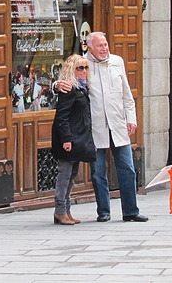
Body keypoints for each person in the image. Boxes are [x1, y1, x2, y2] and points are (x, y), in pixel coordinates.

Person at [57, 31, 148, 223]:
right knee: (98, 171)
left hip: (117, 123)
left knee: (127, 168)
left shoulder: (117, 61)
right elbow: (65, 76)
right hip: (95, 127)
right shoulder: (83, 64)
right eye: (100, 46)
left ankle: (131, 211)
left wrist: (131, 119)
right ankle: (103, 211)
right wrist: (58, 83)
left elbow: (126, 94)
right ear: (89, 48)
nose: (104, 48)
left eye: (105, 44)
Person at [51, 54, 96, 225]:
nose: (84, 71)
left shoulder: (83, 87)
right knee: (65, 174)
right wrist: (67, 139)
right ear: (72, 70)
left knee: (72, 174)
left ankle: (66, 210)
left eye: (86, 67)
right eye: (80, 68)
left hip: (79, 136)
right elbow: (61, 117)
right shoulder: (68, 89)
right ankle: (60, 210)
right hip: (69, 137)